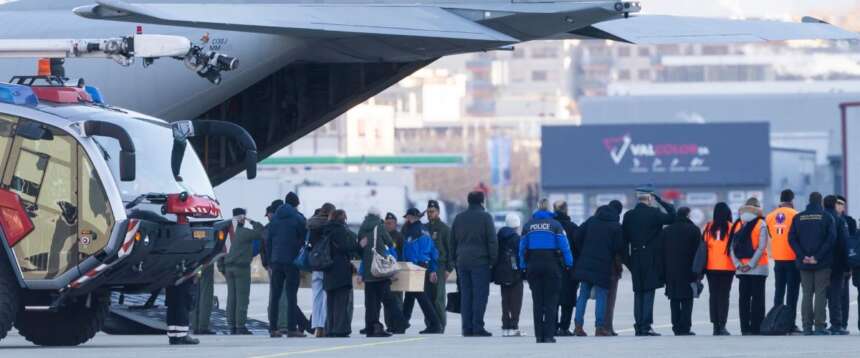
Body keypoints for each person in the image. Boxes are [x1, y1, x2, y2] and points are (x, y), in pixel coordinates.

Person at [622, 187, 675, 336]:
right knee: (648, 291)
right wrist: (661, 200)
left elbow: (623, 240)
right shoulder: (654, 213)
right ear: (650, 199)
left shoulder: (628, 215)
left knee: (638, 292)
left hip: (635, 256)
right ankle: (646, 325)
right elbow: (673, 216)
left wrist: (628, 261)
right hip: (650, 257)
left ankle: (639, 325)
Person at [520, 199, 574, 343]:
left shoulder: (528, 225)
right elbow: (565, 246)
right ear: (549, 209)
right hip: (551, 264)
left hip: (533, 264)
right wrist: (569, 263)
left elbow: (522, 248)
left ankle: (539, 335)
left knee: (537, 301)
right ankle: (549, 335)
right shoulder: (555, 225)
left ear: (537, 208)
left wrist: (523, 265)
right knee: (551, 300)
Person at [572, 204, 624, 337]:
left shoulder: (591, 221)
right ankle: (599, 328)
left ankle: (578, 326)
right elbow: (618, 247)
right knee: (602, 295)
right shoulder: (615, 226)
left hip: (586, 262)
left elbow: (576, 235)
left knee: (583, 295)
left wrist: (583, 250)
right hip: (603, 265)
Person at [451, 191, 498, 337]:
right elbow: (492, 240)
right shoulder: (485, 217)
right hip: (480, 261)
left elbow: (452, 241)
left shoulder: (458, 218)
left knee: (466, 294)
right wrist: (493, 260)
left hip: (462, 261)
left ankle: (467, 328)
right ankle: (478, 327)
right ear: (482, 202)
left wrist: (454, 260)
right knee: (480, 295)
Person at [789, 192, 836, 335]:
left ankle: (807, 327)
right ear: (820, 202)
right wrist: (817, 257)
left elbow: (791, 239)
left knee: (807, 294)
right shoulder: (827, 217)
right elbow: (831, 239)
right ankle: (820, 327)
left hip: (804, 263)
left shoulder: (798, 217)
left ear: (808, 201)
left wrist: (803, 256)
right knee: (821, 293)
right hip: (822, 263)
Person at [358, 207, 408, 337]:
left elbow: (359, 249)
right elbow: (389, 243)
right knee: (390, 300)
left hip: (368, 272)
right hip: (379, 270)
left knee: (370, 303)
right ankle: (400, 324)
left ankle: (371, 328)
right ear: (378, 216)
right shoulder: (379, 227)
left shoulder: (362, 228)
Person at [267, 192, 309, 338]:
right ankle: (292, 329)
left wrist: (269, 261)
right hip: (291, 261)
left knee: (275, 295)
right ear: (296, 204)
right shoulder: (298, 219)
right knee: (291, 296)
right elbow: (305, 238)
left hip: (276, 261)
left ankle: (273, 328)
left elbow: (269, 241)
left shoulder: (275, 219)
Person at [218, 208, 262, 335]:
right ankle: (240, 326)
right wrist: (253, 222)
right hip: (241, 269)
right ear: (242, 218)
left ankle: (231, 325)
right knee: (242, 298)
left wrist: (222, 268)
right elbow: (261, 232)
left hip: (228, 268)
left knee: (231, 298)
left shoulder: (227, 233)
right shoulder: (244, 232)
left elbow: (221, 252)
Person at [730, 197, 770, 336]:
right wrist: (751, 264)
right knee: (758, 299)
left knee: (744, 299)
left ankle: (744, 328)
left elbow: (731, 248)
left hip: (741, 269)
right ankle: (756, 328)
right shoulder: (761, 224)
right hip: (759, 268)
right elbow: (761, 247)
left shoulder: (737, 224)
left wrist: (739, 265)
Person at [401, 208, 444, 334]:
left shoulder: (414, 230)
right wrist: (432, 268)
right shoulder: (423, 230)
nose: (407, 219)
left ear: (413, 217)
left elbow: (415, 250)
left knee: (420, 296)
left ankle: (435, 324)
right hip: (420, 264)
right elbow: (433, 250)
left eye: (408, 216)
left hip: (416, 265)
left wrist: (414, 264)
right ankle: (402, 323)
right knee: (410, 295)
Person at [660, 207, 701, 336]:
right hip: (689, 270)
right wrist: (698, 271)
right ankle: (685, 327)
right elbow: (699, 253)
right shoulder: (694, 230)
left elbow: (661, 252)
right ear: (688, 215)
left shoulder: (667, 231)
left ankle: (676, 327)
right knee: (687, 299)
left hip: (670, 270)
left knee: (674, 299)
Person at [766, 189, 800, 334]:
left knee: (779, 292)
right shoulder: (796, 215)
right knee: (792, 293)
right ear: (792, 200)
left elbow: (770, 235)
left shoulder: (770, 216)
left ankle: (776, 321)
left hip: (777, 259)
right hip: (792, 259)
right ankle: (790, 324)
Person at [323, 209, 359, 337]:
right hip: (340, 269)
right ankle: (339, 329)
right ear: (341, 218)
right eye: (345, 217)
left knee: (330, 302)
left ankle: (329, 328)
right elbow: (345, 247)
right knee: (341, 301)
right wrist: (359, 245)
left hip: (327, 269)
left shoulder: (325, 230)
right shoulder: (340, 230)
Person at [703, 202, 735, 336]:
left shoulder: (709, 226)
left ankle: (715, 325)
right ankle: (722, 325)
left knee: (713, 296)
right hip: (727, 267)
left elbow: (704, 245)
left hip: (710, 267)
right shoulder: (731, 227)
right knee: (724, 296)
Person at [307, 203, 336, 337]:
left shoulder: (312, 224)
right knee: (326, 296)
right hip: (326, 264)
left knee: (316, 297)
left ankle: (316, 326)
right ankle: (323, 326)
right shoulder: (329, 225)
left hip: (315, 264)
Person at [494, 212, 524, 337]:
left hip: (501, 272)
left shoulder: (499, 236)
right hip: (515, 273)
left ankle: (505, 325)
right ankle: (514, 325)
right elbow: (521, 255)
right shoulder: (517, 239)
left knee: (505, 299)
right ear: (517, 225)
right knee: (516, 300)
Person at [424, 200, 452, 333]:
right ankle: (430, 324)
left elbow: (450, 249)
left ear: (438, 212)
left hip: (440, 266)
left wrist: (449, 268)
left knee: (438, 298)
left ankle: (440, 324)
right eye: (428, 212)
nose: (430, 214)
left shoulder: (444, 229)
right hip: (426, 266)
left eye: (432, 211)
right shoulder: (424, 228)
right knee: (427, 297)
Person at [824, 195, 851, 335]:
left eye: (842, 204)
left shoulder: (822, 219)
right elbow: (844, 243)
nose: (839, 206)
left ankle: (835, 323)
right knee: (834, 294)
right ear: (834, 205)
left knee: (834, 294)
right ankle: (836, 324)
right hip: (836, 263)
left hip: (826, 262)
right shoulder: (839, 220)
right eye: (838, 203)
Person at [553, 200, 579, 337]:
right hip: (569, 268)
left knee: (553, 299)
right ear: (566, 210)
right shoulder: (573, 227)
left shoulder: (550, 227)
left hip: (553, 267)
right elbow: (578, 247)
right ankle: (564, 327)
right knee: (568, 299)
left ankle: (553, 326)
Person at [603, 200, 625, 336]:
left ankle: (600, 326)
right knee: (610, 299)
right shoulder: (616, 226)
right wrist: (620, 268)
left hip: (597, 266)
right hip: (611, 268)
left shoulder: (595, 221)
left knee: (600, 298)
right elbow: (618, 250)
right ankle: (607, 327)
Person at [383, 212, 407, 334]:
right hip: (385, 272)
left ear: (395, 224)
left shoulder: (399, 236)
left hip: (397, 271)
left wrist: (400, 270)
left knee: (397, 299)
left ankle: (398, 325)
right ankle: (389, 324)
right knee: (387, 299)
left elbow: (402, 255)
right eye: (386, 223)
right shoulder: (382, 236)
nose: (388, 225)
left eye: (390, 223)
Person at [166, 280, 200, 345]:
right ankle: (182, 336)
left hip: (170, 278)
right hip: (184, 277)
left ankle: (173, 336)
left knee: (172, 303)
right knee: (183, 302)